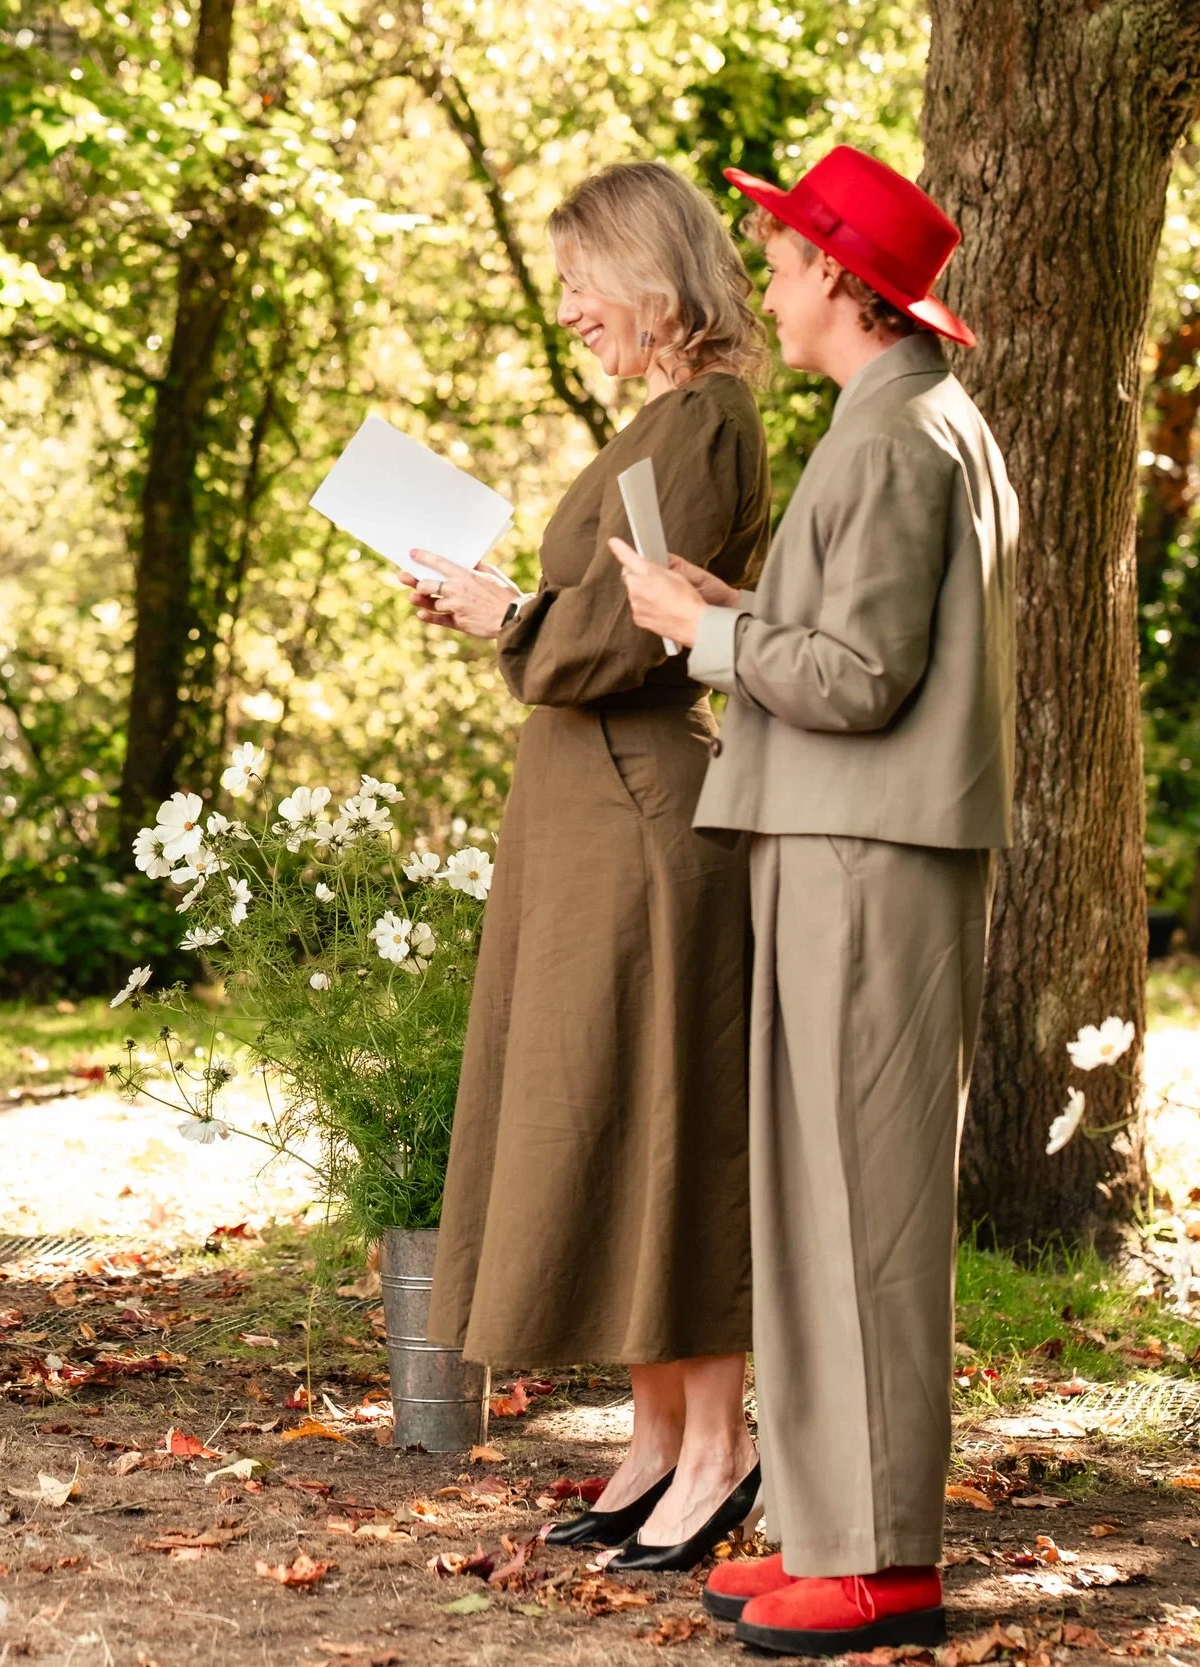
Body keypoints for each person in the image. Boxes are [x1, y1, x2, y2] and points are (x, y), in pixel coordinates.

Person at [613, 146, 1017, 1653]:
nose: (766, 287)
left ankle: (879, 1553)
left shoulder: (902, 433)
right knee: (820, 1200)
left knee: (862, 1208)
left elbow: (861, 679)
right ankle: (834, 1524)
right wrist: (733, 608)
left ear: (843, 281)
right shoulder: (896, 417)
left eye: (782, 262)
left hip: (869, 857)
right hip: (842, 845)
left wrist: (706, 644)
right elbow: (842, 631)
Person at [403, 160, 769, 1570]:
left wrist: (513, 615)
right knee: (610, 1121)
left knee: (671, 1120)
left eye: (581, 281)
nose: (568, 308)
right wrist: (506, 615)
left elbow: (630, 633)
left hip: (636, 816)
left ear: (652, 275)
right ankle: (657, 1434)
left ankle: (721, 1444)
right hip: (580, 811)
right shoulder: (660, 420)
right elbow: (596, 612)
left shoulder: (709, 421)